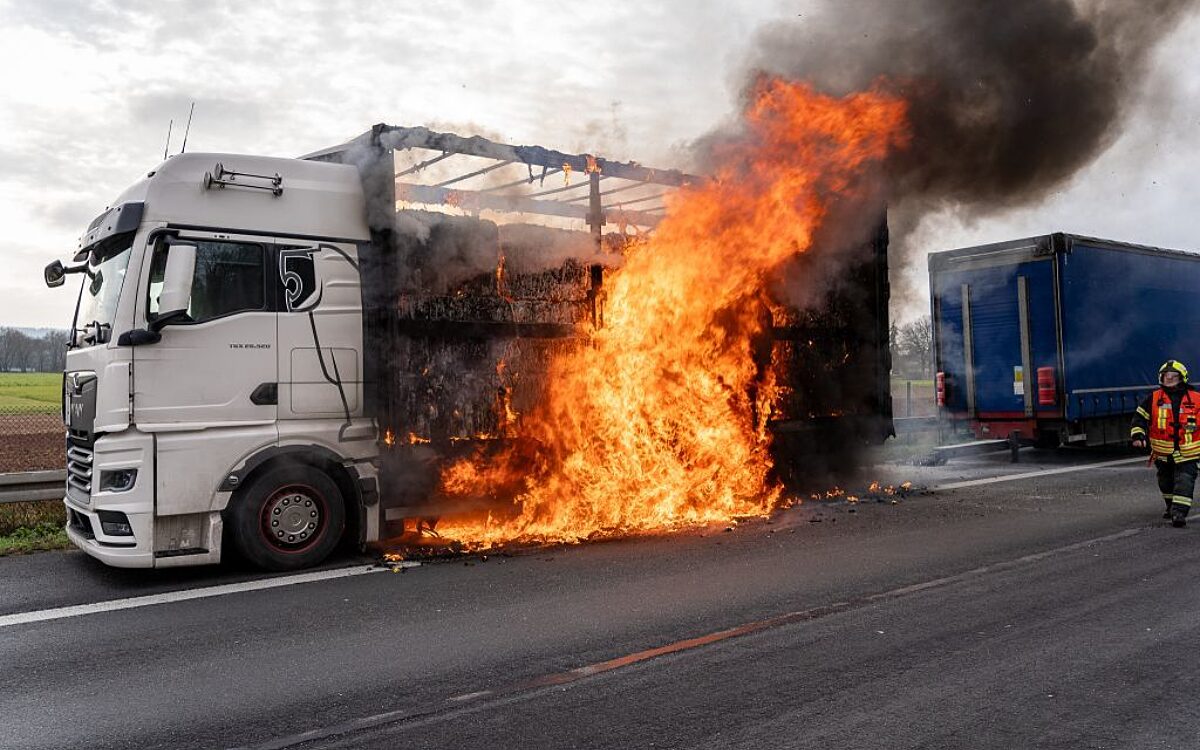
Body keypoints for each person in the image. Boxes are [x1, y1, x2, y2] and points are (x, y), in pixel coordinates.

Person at [1131, 359, 1200, 527]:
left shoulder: (1197, 399)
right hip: (1163, 453)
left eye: (1173, 377)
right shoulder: (1153, 399)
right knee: (1165, 482)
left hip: (1188, 453)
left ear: (1182, 378)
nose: (1168, 380)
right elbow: (1139, 418)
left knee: (1184, 481)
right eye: (1165, 377)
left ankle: (1179, 513)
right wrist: (1138, 435)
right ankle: (1170, 506)